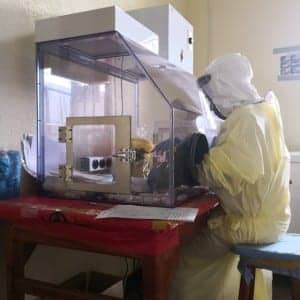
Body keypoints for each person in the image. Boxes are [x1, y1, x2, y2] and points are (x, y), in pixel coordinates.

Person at [169, 53, 291, 300]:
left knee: (186, 258)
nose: (212, 106)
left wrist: (186, 163)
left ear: (225, 89)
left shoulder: (245, 119)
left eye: (213, 98)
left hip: (253, 226)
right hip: (270, 220)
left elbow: (218, 172)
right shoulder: (261, 111)